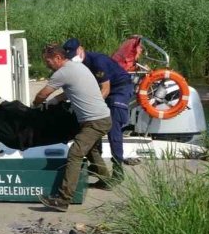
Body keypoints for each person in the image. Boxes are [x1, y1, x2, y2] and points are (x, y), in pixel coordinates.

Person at [32, 44, 113, 212]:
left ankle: (63, 200)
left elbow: (43, 94)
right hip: (101, 118)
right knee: (92, 151)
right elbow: (72, 90)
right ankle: (106, 181)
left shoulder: (62, 72)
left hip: (95, 121)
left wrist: (34, 106)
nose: (47, 64)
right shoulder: (77, 67)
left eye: (48, 61)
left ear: (58, 58)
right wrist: (58, 100)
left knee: (75, 154)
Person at [63, 38, 141, 168]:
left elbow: (106, 88)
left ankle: (117, 168)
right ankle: (97, 165)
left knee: (113, 126)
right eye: (70, 57)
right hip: (101, 89)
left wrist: (93, 106)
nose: (73, 59)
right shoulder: (77, 65)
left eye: (74, 55)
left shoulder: (98, 61)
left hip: (119, 88)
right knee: (92, 124)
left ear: (81, 49)